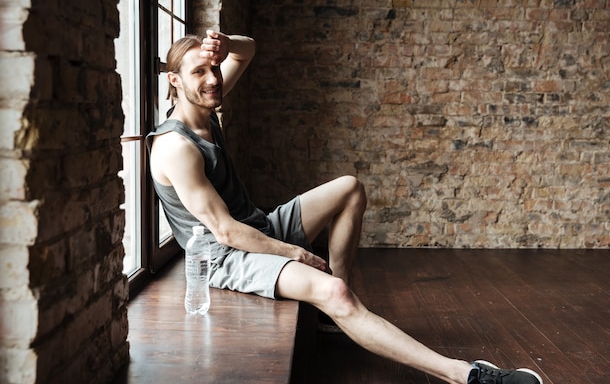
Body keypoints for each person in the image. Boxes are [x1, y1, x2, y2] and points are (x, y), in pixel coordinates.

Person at [146, 30, 544, 384]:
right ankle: (465, 375)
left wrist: (226, 45)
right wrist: (296, 253)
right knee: (335, 292)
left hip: (259, 227)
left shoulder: (204, 102)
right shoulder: (176, 146)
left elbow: (247, 52)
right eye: (200, 72)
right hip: (226, 257)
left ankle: (333, 315)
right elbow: (226, 232)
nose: (213, 80)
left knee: (349, 188)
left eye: (214, 70)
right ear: (174, 81)